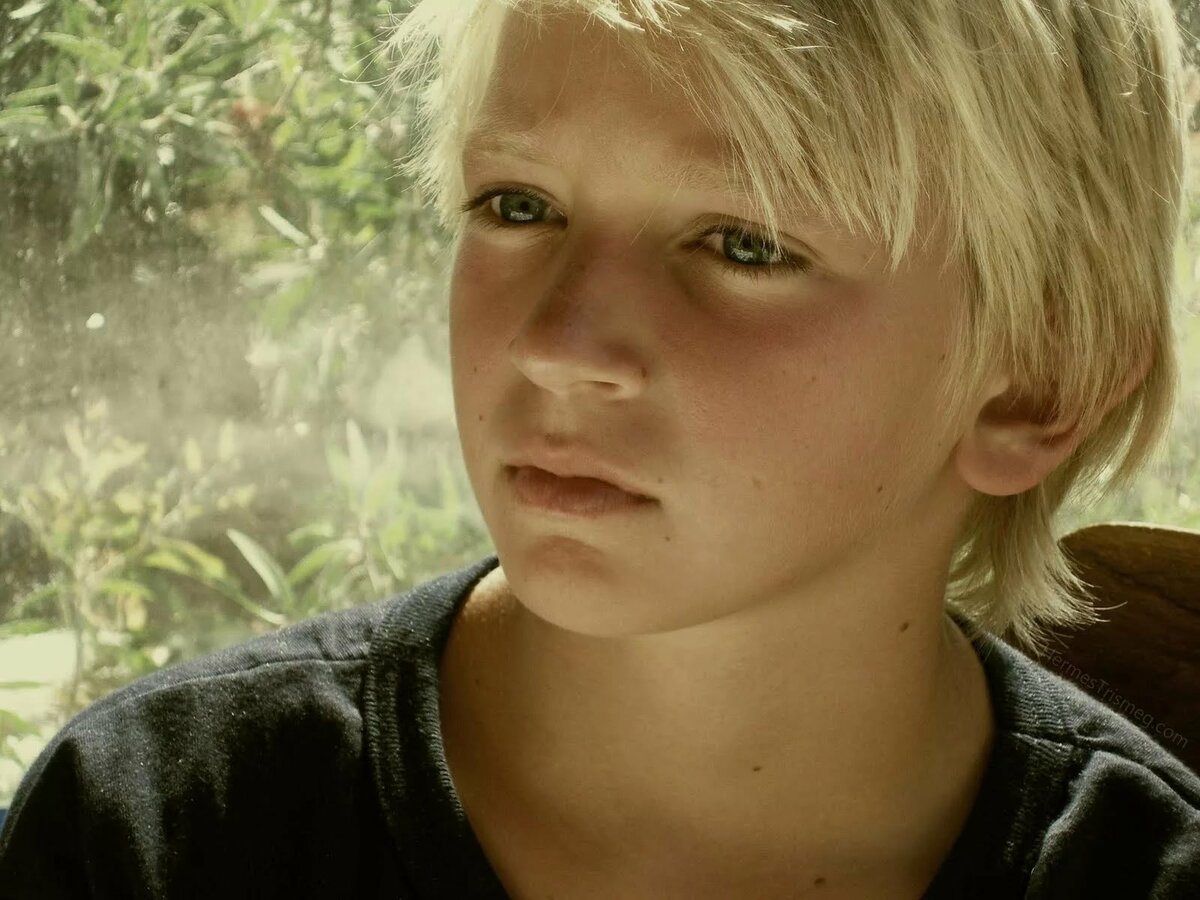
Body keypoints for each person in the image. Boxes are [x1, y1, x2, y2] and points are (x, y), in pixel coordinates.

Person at [1, 0, 1198, 897]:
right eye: (519, 206)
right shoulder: (152, 832)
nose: (558, 346)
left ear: (1038, 383)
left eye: (743, 244)